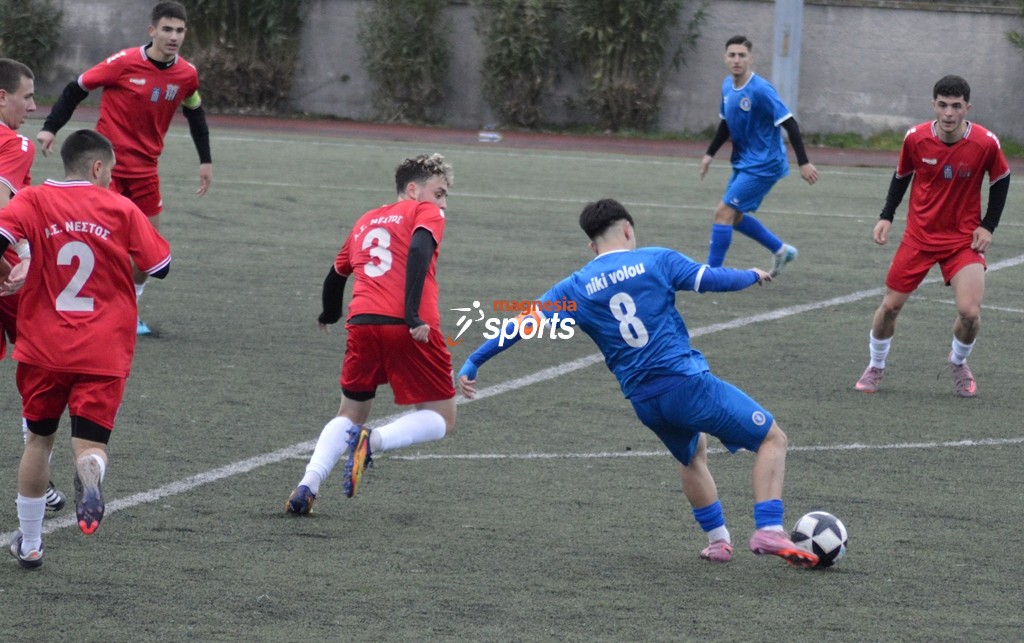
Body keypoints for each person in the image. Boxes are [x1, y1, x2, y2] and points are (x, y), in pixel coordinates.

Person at [456, 198, 818, 567]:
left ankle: (718, 542)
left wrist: (474, 361)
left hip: (646, 402)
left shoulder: (575, 287)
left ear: (592, 246)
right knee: (772, 438)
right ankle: (769, 528)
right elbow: (709, 279)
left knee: (692, 454)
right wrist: (750, 275)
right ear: (628, 229)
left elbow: (522, 323)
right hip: (685, 385)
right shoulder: (656, 259)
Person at [0, 129, 171, 569]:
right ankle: (90, 472)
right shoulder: (120, 207)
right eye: (110, 171)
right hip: (104, 348)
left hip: (43, 346)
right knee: (90, 443)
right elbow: (159, 266)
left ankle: (31, 543)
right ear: (97, 168)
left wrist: (16, 267)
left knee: (39, 441)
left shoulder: (33, 200)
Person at [285, 153, 457, 515]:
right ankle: (373, 440)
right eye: (439, 193)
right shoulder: (424, 212)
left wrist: (329, 313)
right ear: (413, 190)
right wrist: (411, 313)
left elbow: (336, 276)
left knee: (349, 411)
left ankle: (307, 485)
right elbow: (419, 248)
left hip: (362, 321)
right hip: (409, 325)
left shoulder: (366, 220)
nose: (443, 204)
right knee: (442, 416)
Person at [36, 1, 210, 336]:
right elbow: (77, 87)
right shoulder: (123, 63)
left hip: (146, 173)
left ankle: (130, 311)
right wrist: (50, 127)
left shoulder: (186, 75)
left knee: (149, 252)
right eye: (167, 29)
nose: (173, 37)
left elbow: (195, 112)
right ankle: (80, 308)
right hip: (105, 170)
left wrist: (206, 160)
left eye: (179, 30)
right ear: (152, 30)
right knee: (100, 244)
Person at [855, 75, 1010, 397]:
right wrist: (886, 216)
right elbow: (901, 176)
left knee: (970, 314)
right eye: (943, 105)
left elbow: (1001, 180)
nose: (949, 113)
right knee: (889, 307)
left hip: (962, 241)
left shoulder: (985, 143)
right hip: (919, 237)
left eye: (956, 106)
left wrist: (988, 225)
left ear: (967, 108)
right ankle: (876, 365)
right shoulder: (916, 138)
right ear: (933, 105)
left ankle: (958, 361)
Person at [0, 58, 67, 512]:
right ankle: (37, 481)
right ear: (2, 97)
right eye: (26, 96)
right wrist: (14, 266)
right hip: (8, 272)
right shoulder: (15, 143)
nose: (33, 106)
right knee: (42, 371)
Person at [699, 35, 818, 276]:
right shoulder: (727, 86)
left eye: (742, 55)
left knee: (722, 213)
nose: (737, 60)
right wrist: (709, 153)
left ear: (750, 59)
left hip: (765, 164)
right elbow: (726, 123)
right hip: (745, 162)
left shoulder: (761, 90)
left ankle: (712, 274)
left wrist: (804, 163)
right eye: (732, 55)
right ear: (725, 58)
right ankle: (781, 250)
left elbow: (791, 124)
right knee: (733, 217)